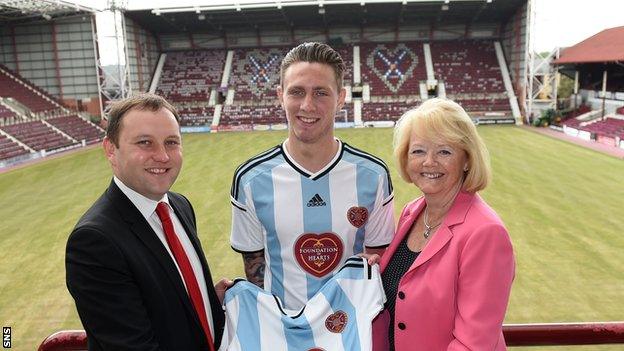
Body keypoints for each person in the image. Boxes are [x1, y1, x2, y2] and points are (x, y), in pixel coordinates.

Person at [229, 42, 395, 310]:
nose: (307, 105)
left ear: (341, 97)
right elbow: (255, 269)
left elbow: (375, 264)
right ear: (280, 95)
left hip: (352, 333)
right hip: (283, 334)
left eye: (321, 93)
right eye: (297, 92)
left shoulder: (373, 176)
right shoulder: (250, 180)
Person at [66, 93, 226, 351]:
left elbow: (169, 300)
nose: (163, 156)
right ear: (111, 149)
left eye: (172, 142)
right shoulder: (94, 241)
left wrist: (208, 300)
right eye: (145, 143)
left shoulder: (179, 206)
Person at [370, 98, 515, 350]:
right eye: (418, 151)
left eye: (444, 151)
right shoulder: (412, 212)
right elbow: (403, 287)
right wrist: (373, 267)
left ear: (467, 160)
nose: (429, 162)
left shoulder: (485, 233)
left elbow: (473, 344)